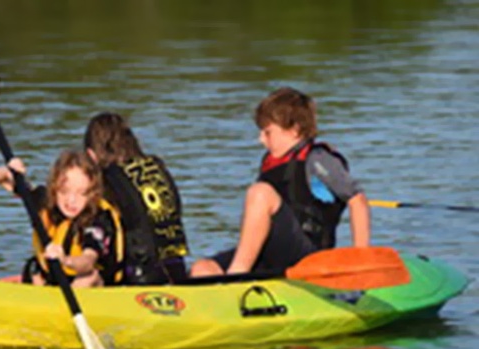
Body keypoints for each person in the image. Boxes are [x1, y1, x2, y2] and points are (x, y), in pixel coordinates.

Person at [191, 87, 371, 277]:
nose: (260, 139)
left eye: (267, 132)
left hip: (308, 253)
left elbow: (357, 201)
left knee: (259, 192)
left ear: (294, 131)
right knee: (202, 268)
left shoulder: (318, 159)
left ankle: (237, 276)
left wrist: (360, 258)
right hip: (275, 250)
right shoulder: (270, 162)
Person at [83, 112, 190, 285]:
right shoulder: (156, 167)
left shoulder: (107, 179)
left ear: (92, 155)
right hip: (177, 272)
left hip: (139, 280)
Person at [0, 149, 124, 288]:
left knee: (89, 278)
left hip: (94, 286)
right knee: (35, 273)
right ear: (54, 187)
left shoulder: (98, 218)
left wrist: (65, 260)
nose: (71, 201)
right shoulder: (45, 201)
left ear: (92, 193)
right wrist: (9, 171)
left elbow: (88, 261)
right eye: (64, 191)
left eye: (81, 193)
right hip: (52, 282)